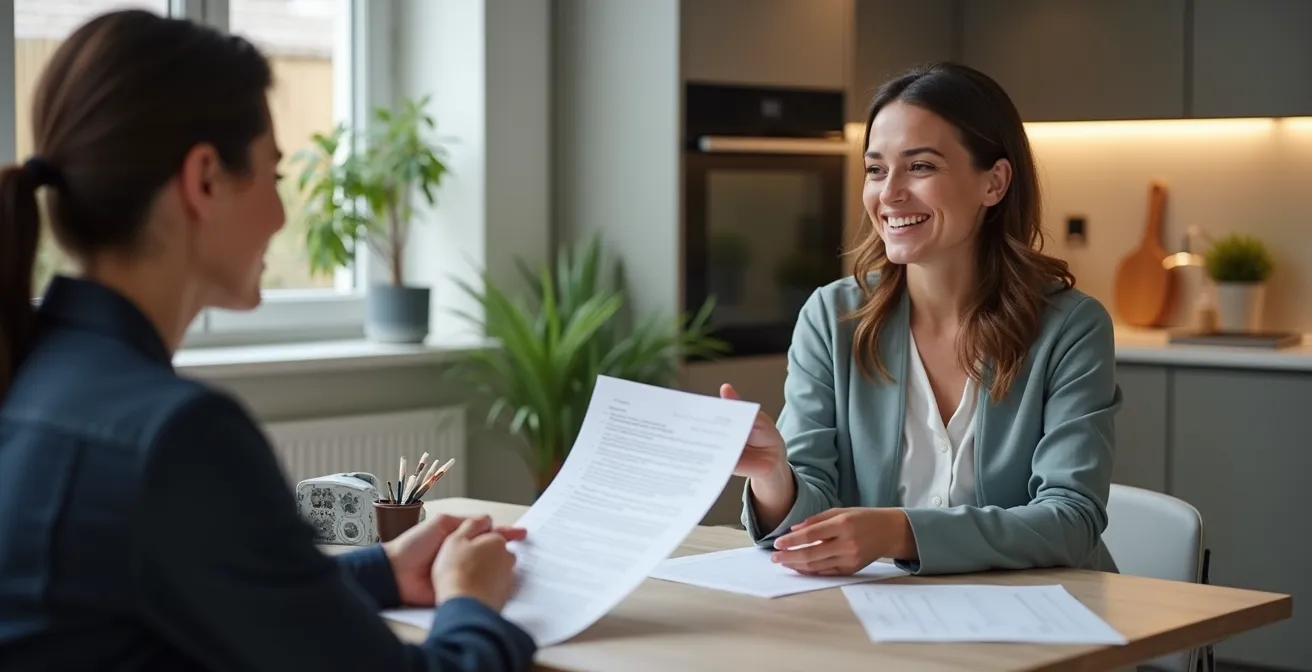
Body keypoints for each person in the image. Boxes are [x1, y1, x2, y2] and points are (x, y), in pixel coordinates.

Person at [0, 10, 534, 672]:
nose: (282, 215)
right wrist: (472, 603)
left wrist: (383, 571)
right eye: (275, 177)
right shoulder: (177, 437)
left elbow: (177, 591)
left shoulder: (37, 376)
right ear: (204, 180)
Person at [726, 61, 1122, 578]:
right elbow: (810, 523)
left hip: (1047, 611)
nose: (889, 193)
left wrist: (898, 531)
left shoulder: (1071, 328)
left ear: (995, 183)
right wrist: (775, 477)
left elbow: (1071, 519)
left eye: (920, 167)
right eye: (875, 170)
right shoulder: (832, 318)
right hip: (881, 614)